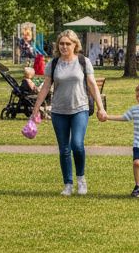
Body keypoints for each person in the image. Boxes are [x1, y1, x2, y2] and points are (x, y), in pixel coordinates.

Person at [30, 30, 108, 196]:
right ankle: (68, 184)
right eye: (61, 43)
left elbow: (92, 85)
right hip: (58, 111)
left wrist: (101, 108)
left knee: (77, 145)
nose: (64, 46)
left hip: (80, 108)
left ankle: (81, 179)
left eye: (68, 43)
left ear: (75, 45)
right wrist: (36, 108)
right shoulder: (54, 63)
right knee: (64, 149)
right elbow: (46, 86)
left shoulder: (83, 61)